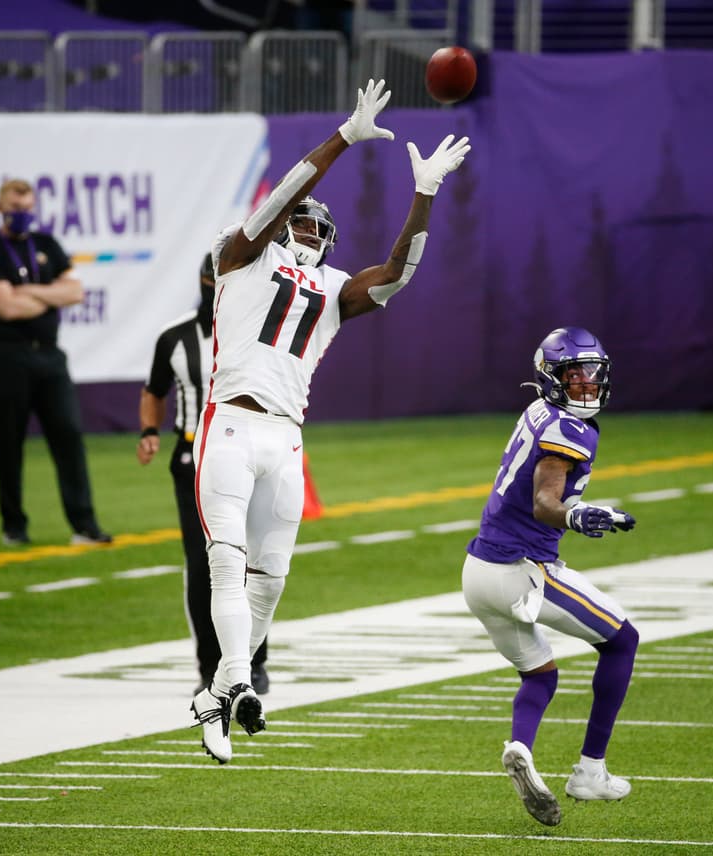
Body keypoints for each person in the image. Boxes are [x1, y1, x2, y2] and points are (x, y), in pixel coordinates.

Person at [189, 79, 471, 764]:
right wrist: (345, 136)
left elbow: (396, 275)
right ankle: (235, 682)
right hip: (230, 424)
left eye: (320, 228)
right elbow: (286, 193)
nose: (310, 232)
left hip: (287, 438)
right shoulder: (239, 256)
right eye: (302, 223)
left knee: (271, 579)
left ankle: (217, 696)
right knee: (226, 562)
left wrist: (425, 193)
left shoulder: (334, 287)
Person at [462, 326, 639, 826]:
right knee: (622, 641)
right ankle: (591, 771)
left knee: (540, 672)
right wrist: (576, 515)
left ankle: (520, 747)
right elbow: (545, 501)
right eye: (573, 375)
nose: (585, 383)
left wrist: (586, 509)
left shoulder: (540, 410)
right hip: (520, 570)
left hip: (477, 572)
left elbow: (541, 490)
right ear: (550, 377)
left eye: (591, 374)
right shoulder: (570, 430)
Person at [137, 252, 269, 696]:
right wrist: (150, 431)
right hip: (193, 454)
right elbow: (154, 390)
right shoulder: (174, 338)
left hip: (245, 452)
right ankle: (209, 665)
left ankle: (252, 661)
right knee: (202, 562)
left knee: (251, 560)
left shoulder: (257, 330)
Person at [0, 179, 111, 547]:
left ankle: (84, 523)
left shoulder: (47, 244)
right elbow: (6, 307)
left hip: (49, 353)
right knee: (10, 443)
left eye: (26, 208)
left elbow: (75, 292)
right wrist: (51, 295)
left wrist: (29, 291)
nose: (21, 215)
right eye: (14, 209)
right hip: (8, 355)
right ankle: (14, 526)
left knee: (69, 435)